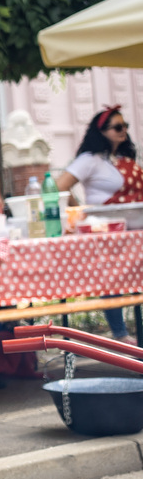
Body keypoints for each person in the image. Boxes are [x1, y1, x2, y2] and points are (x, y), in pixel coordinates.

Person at [56, 105, 141, 343]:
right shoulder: (89, 160)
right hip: (107, 230)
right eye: (117, 127)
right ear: (102, 131)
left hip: (135, 229)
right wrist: (80, 211)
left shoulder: (124, 159)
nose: (123, 131)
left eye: (125, 126)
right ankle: (120, 334)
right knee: (112, 279)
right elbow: (60, 186)